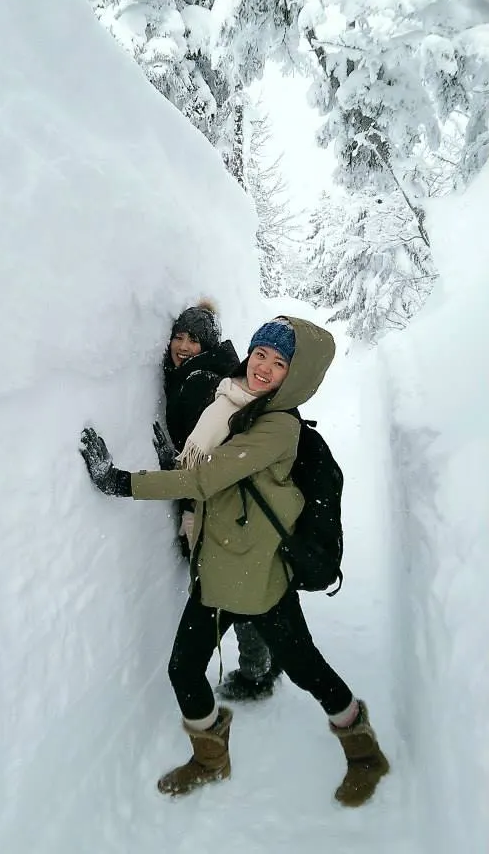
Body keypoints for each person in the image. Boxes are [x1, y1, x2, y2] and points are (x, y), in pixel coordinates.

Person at [80, 316, 390, 807]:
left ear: (296, 374)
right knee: (183, 670)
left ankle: (365, 753)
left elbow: (205, 481)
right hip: (216, 569)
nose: (264, 367)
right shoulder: (234, 402)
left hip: (259, 580)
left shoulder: (277, 426)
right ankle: (210, 759)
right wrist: (174, 460)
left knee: (310, 671)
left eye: (279, 361)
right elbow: (200, 467)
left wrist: (119, 480)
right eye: (260, 354)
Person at [153, 300, 282, 700]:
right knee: (240, 588)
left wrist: (171, 466)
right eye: (179, 336)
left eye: (195, 339)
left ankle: (257, 672)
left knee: (230, 590)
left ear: (208, 346)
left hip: (215, 503)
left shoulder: (200, 383)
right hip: (223, 502)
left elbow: (211, 458)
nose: (184, 345)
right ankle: (262, 660)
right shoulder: (200, 375)